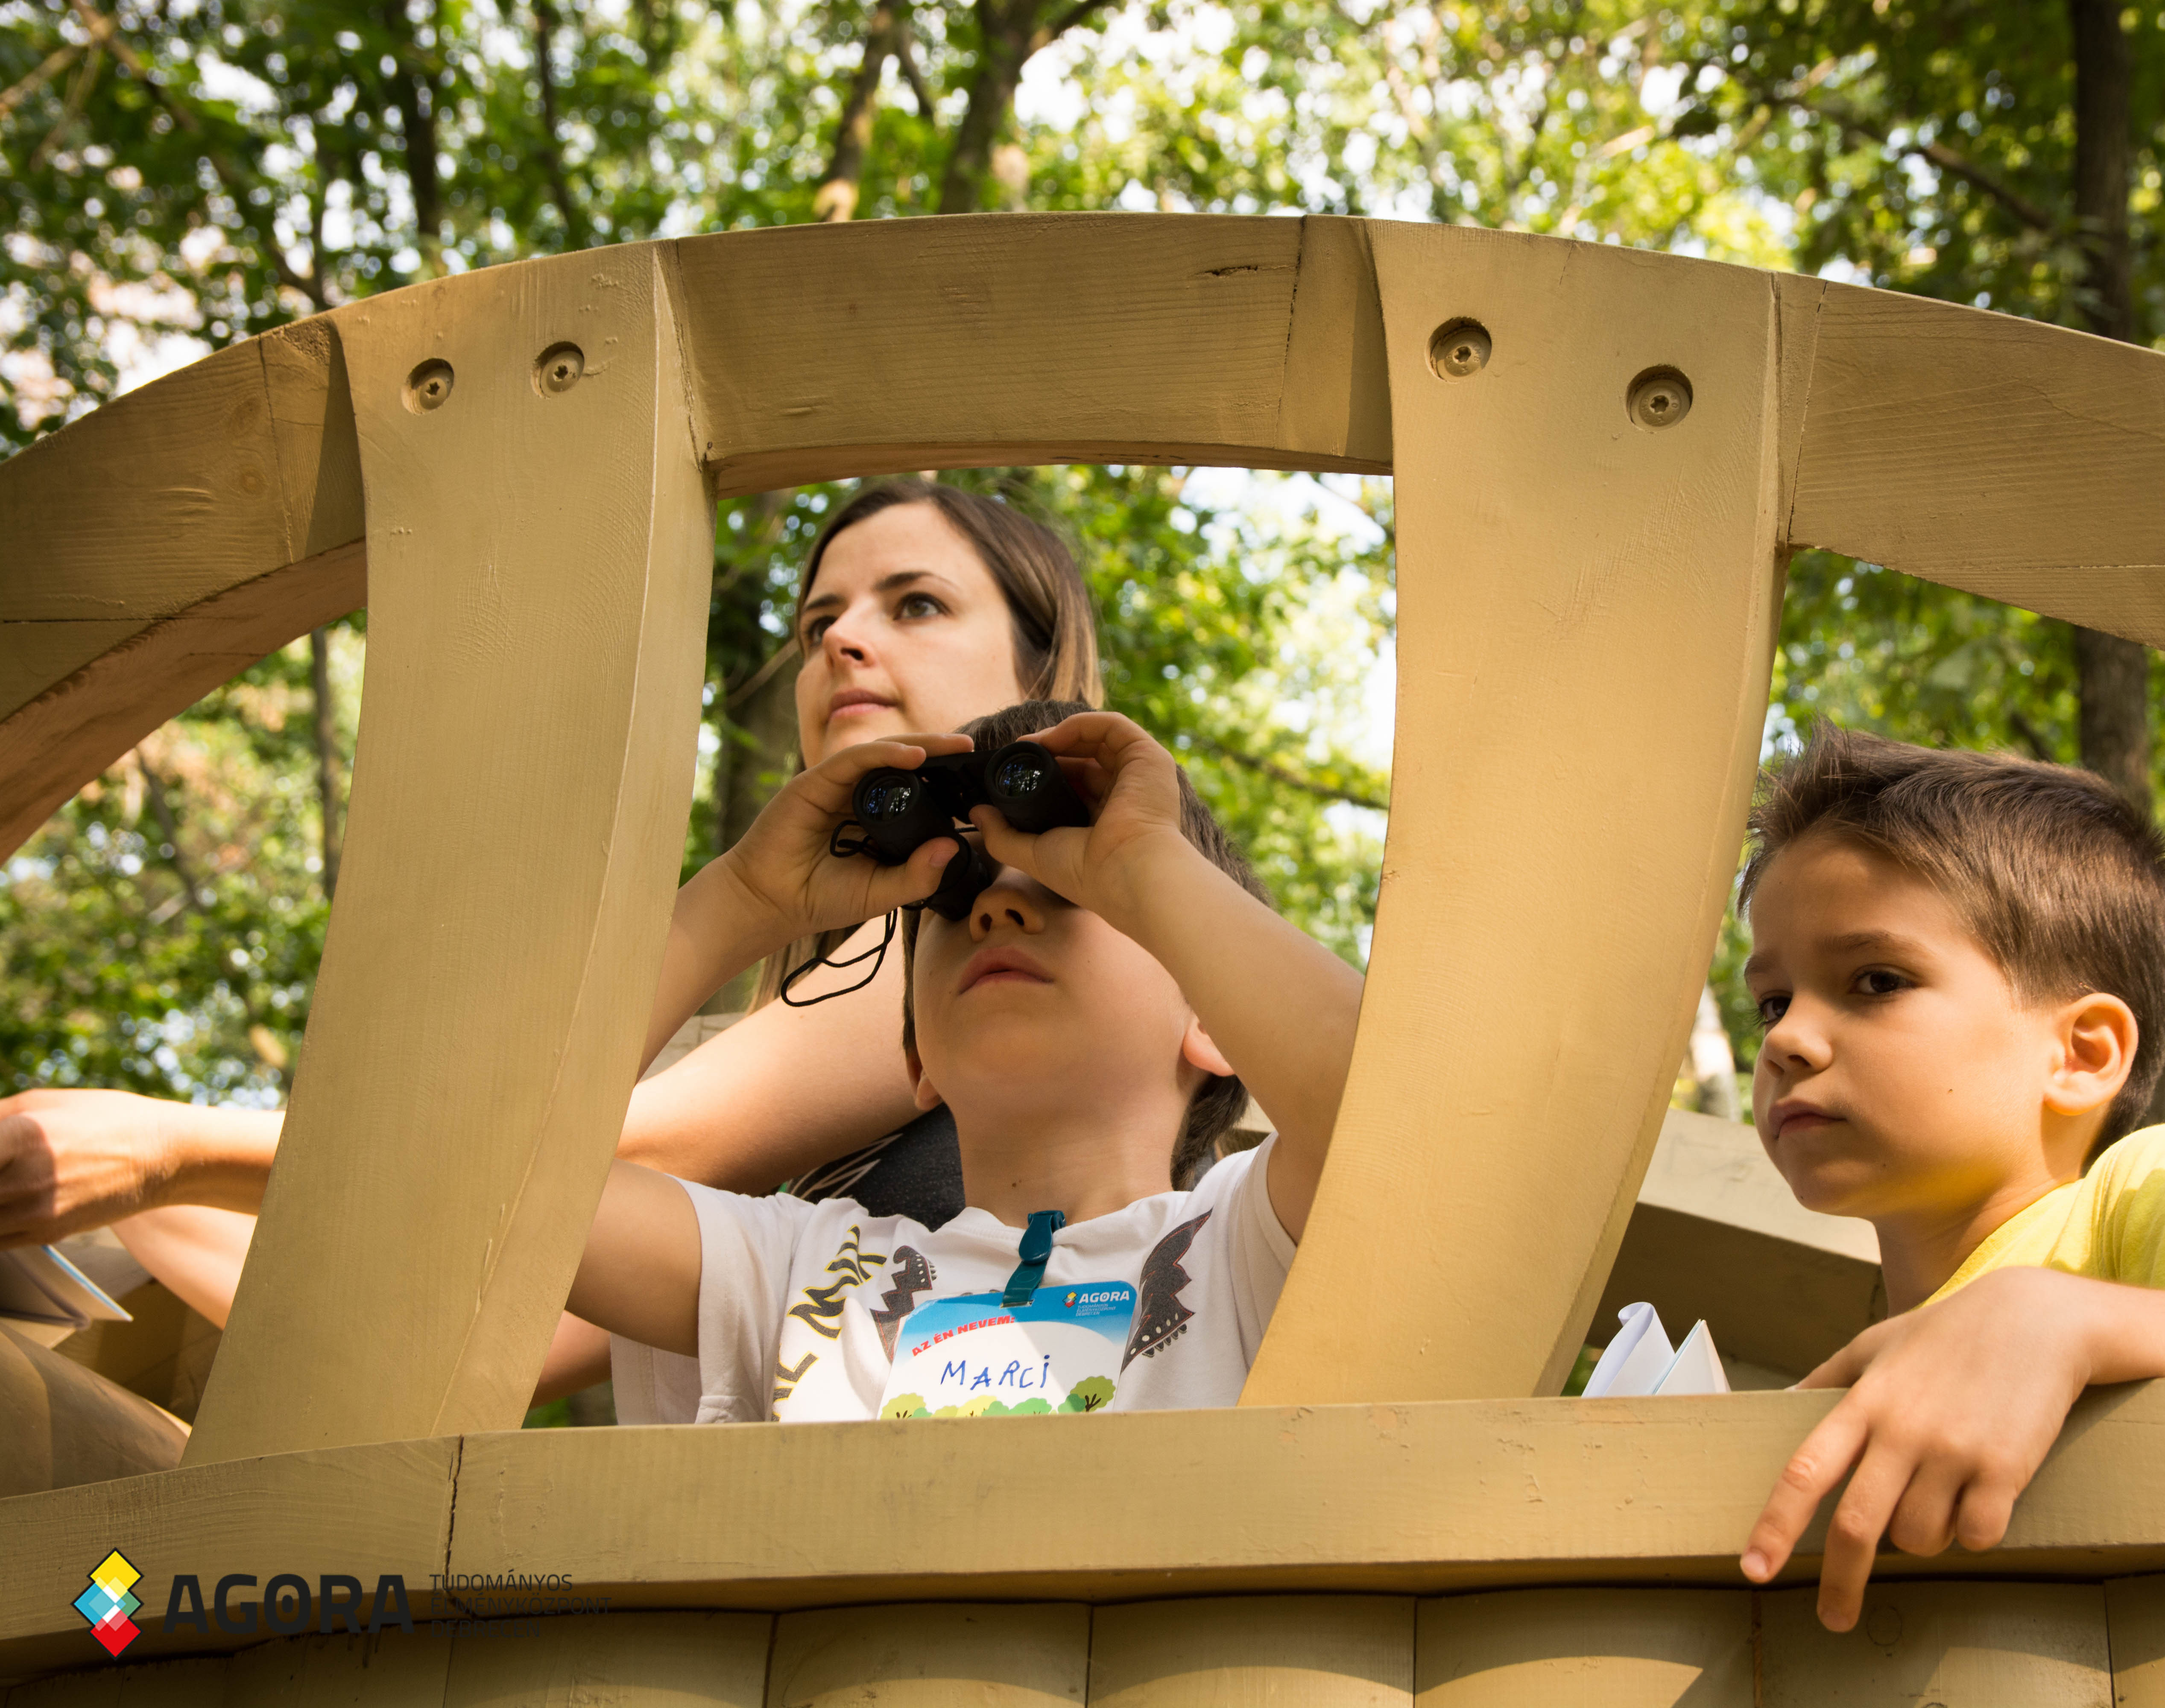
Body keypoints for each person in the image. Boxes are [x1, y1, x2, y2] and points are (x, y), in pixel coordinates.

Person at [0, 480, 1104, 1401]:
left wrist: (163, 1148)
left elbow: (548, 1162)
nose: (843, 642)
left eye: (914, 605)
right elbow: (509, 1327)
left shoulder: (999, 948)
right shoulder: (824, 990)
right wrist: (133, 1190)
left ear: (1038, 675)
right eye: (820, 625)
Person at [1729, 723, 2165, 1631]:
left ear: (2082, 1053)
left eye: (1875, 979)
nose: (1786, 1039)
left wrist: (2055, 1314)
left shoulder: (2150, 1178)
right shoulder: (1884, 1357)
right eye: (1773, 999)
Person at [582, 698, 1360, 1422]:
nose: (994, 907)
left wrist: (1142, 862)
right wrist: (747, 899)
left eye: (1070, 889)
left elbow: (1394, 1112)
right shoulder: (803, 1277)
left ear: (1214, 1019)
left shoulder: (1249, 1250)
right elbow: (501, 1183)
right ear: (917, 1057)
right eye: (952, 902)